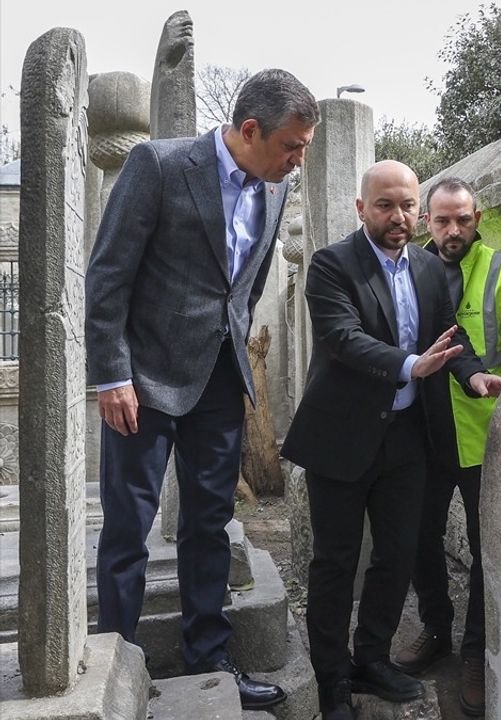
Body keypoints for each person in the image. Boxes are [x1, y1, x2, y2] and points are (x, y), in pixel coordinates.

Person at [86, 68, 318, 710]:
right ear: (250, 130)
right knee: (128, 526)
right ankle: (118, 661)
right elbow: (107, 277)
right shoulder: (157, 165)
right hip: (143, 382)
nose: (298, 159)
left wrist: (237, 356)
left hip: (219, 380)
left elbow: (243, 285)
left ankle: (209, 658)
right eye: (292, 147)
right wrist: (112, 374)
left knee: (211, 523)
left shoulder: (273, 193)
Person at [280, 161, 501, 720]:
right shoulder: (333, 265)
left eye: (408, 205)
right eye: (386, 206)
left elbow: (451, 337)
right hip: (341, 437)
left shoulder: (430, 268)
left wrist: (471, 374)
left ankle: (372, 658)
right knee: (335, 563)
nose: (399, 217)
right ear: (362, 209)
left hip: (408, 438)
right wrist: (411, 363)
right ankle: (332, 677)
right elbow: (344, 339)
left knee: (398, 555)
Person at [393, 177, 501, 717]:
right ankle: (435, 627)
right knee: (416, 537)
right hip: (422, 435)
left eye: (463, 219)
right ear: (426, 221)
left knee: (485, 550)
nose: (453, 230)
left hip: (484, 435)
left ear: (478, 217)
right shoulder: (406, 269)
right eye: (442, 220)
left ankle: (475, 651)